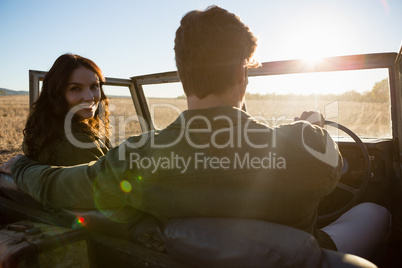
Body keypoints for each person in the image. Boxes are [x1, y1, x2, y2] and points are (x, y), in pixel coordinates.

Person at [6, 6, 390, 260]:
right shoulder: (305, 143)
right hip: (300, 256)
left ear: (183, 74)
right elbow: (336, 171)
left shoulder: (137, 157)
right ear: (242, 73)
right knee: (375, 209)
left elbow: (57, 185)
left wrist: (21, 166)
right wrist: (311, 125)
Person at [23, 53, 111, 166]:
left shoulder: (46, 129)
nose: (90, 97)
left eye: (94, 86)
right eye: (76, 88)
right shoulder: (76, 143)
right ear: (57, 94)